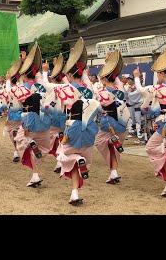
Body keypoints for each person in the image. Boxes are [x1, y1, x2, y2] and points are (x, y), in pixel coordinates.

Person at [134, 39, 166, 197]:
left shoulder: (158, 88)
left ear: (163, 73)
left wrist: (137, 77)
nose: (157, 75)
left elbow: (141, 90)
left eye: (158, 73)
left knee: (151, 148)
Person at [53, 37, 101, 205]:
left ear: (69, 75)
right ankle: (75, 193)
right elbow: (84, 84)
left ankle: (76, 161)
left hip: (72, 127)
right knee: (81, 157)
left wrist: (48, 71)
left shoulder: (65, 89)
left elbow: (49, 87)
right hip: (90, 128)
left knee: (62, 154)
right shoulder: (91, 90)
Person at [12, 43, 52, 187]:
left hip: (28, 119)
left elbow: (16, 106)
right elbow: (40, 77)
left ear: (22, 74)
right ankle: (35, 175)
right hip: (45, 119)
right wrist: (40, 68)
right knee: (45, 148)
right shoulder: (43, 85)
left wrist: (23, 64)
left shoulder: (20, 88)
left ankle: (30, 143)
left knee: (19, 141)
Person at [94, 50, 130, 185]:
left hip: (108, 123)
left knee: (99, 142)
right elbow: (116, 80)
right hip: (122, 123)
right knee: (115, 149)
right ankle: (113, 172)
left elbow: (98, 107)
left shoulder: (102, 92)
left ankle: (113, 169)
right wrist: (109, 64)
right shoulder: (121, 90)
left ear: (103, 79)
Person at [41, 54, 69, 173]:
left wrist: (44, 71)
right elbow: (65, 79)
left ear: (52, 78)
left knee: (50, 139)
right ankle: (59, 160)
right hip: (64, 116)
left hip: (52, 117)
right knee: (62, 138)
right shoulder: (67, 86)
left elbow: (44, 81)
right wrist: (59, 67)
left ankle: (55, 159)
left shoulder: (50, 86)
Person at [4, 56, 24, 162]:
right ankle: (20, 149)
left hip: (12, 114)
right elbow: (20, 81)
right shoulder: (22, 88)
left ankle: (16, 151)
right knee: (20, 131)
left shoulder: (10, 90)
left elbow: (7, 87)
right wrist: (16, 70)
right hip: (22, 114)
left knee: (12, 132)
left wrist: (8, 78)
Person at [125, 74, 145, 143]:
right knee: (134, 120)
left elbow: (134, 96)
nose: (128, 81)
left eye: (129, 79)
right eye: (127, 79)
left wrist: (130, 92)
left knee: (140, 121)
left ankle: (141, 136)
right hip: (133, 106)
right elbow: (126, 97)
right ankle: (138, 135)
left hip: (140, 107)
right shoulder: (129, 87)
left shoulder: (140, 87)